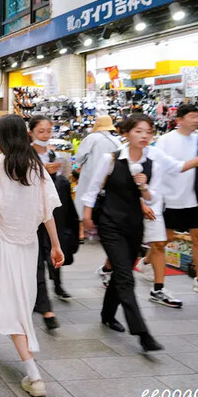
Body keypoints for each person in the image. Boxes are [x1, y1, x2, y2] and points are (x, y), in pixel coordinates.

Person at [81, 114, 198, 352]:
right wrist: (86, 216)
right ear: (126, 133)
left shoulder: (153, 159)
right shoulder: (111, 158)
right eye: (138, 131)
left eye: (148, 132)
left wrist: (144, 186)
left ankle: (107, 314)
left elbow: (155, 193)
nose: (144, 136)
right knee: (126, 276)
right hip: (110, 223)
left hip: (135, 225)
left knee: (121, 272)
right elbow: (93, 188)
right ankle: (142, 333)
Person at [0, 114, 64, 397]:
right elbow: (48, 210)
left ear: (2, 137)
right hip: (28, 244)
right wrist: (56, 246)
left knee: (11, 303)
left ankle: (33, 375)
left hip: (1, 243)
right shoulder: (36, 165)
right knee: (13, 296)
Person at [135, 104, 198, 301]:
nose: (197, 120)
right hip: (168, 197)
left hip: (191, 196)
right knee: (164, 239)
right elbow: (158, 167)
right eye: (192, 116)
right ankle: (146, 261)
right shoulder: (166, 141)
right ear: (180, 120)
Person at [29, 115, 78, 331]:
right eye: (41, 131)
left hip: (54, 211)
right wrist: (41, 173)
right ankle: (45, 306)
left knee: (55, 249)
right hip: (32, 215)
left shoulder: (54, 154)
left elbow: (65, 179)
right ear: (31, 132)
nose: (46, 135)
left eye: (49, 131)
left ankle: (56, 285)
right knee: (38, 257)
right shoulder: (26, 155)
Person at [74, 115, 121, 285]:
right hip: (108, 181)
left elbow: (79, 157)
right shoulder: (117, 142)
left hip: (90, 177)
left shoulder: (92, 138)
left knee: (85, 204)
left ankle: (81, 233)